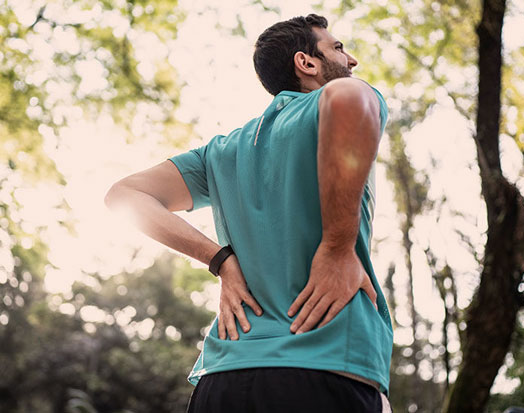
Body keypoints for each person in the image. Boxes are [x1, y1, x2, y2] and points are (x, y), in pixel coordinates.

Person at [105, 13, 393, 413]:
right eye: (338, 49)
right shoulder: (336, 99)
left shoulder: (221, 151)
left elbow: (124, 196)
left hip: (222, 380)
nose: (352, 62)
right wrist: (337, 247)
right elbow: (352, 97)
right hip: (323, 365)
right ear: (305, 62)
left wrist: (220, 261)